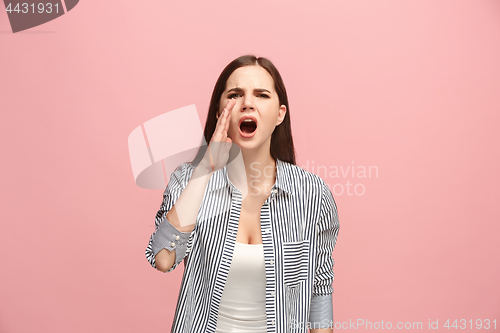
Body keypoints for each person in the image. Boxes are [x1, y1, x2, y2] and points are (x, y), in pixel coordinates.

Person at [145, 55, 340, 333]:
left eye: (261, 95)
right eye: (235, 94)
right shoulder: (190, 180)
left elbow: (320, 287)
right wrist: (205, 171)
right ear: (219, 111)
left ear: (280, 114)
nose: (248, 103)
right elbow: (163, 259)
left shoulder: (312, 194)